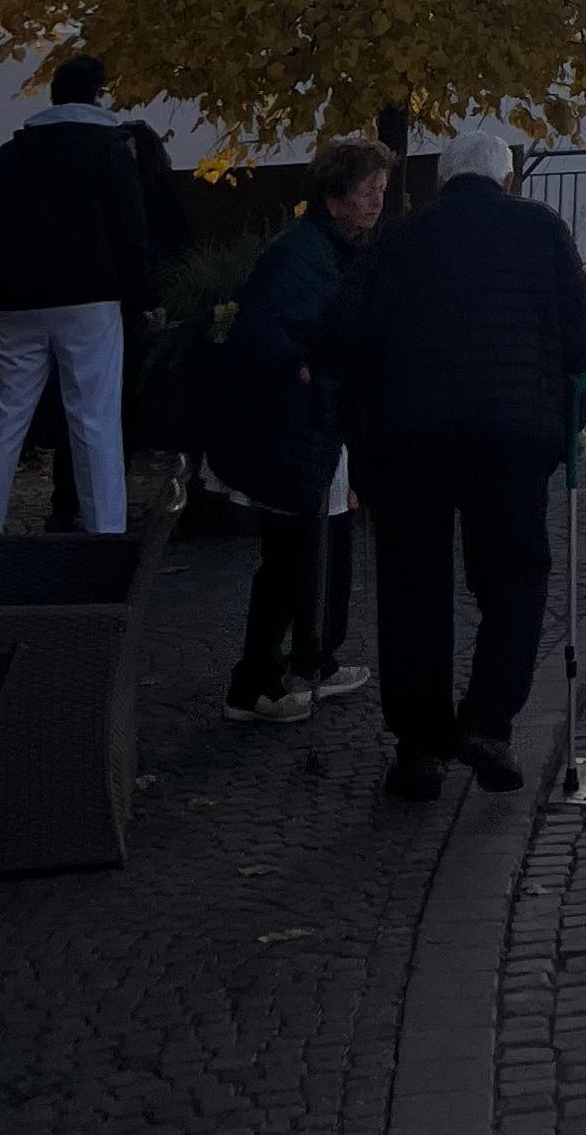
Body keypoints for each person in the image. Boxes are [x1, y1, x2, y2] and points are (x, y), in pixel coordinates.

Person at [330, 120, 586, 804]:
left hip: (409, 439)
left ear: (442, 180)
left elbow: (349, 335)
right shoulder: (542, 229)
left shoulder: (398, 238)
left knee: (413, 588)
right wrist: (567, 426)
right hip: (511, 435)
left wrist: (361, 431)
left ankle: (420, 748)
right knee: (514, 576)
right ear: (508, 179)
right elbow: (582, 343)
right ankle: (488, 722)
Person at [212, 134, 392, 727]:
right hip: (290, 429)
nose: (377, 201)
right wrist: (307, 367)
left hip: (315, 425)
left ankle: (306, 661)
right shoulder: (302, 254)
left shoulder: (340, 249)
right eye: (366, 191)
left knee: (315, 551)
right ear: (335, 197)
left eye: (381, 190)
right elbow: (266, 333)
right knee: (289, 559)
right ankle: (255, 685)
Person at [0, 55, 153, 536]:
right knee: (95, 420)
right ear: (98, 94)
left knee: (1, 422)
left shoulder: (9, 155)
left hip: (17, 304)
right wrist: (143, 296)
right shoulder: (110, 152)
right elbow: (130, 233)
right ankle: (105, 535)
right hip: (91, 303)